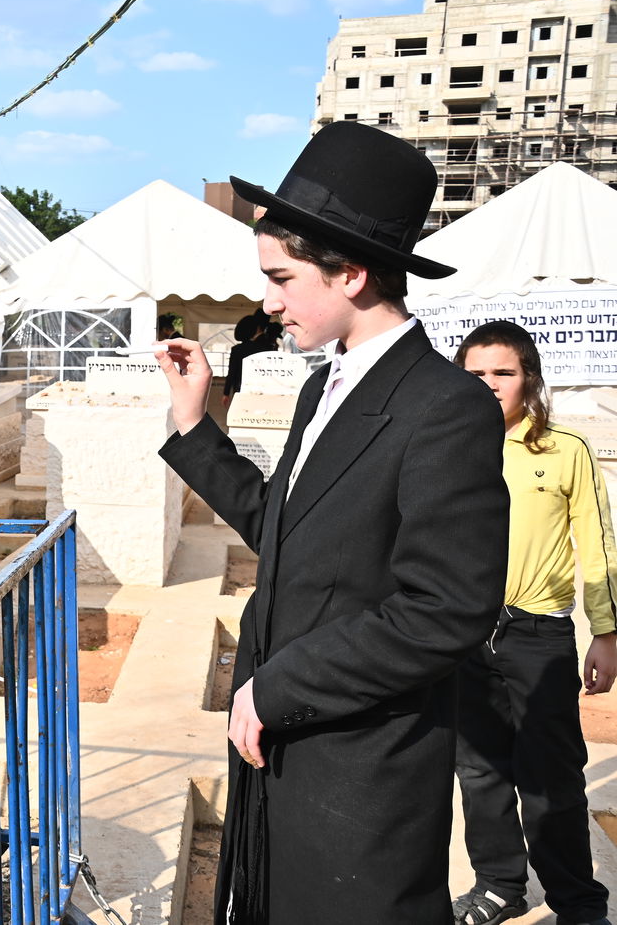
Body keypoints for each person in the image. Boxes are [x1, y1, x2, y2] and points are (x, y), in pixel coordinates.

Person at [154, 121, 510, 923]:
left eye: (280, 277)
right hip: (278, 751)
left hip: (357, 779)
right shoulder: (326, 386)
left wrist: (279, 687)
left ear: (349, 273)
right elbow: (285, 530)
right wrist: (193, 425)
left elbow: (447, 609)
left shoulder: (445, 406)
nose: (267, 301)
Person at [451, 321, 615, 925]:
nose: (490, 384)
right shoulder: (444, 443)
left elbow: (597, 545)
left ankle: (577, 904)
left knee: (552, 778)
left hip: (537, 635)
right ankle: (500, 885)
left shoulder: (564, 449)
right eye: (476, 374)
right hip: (462, 634)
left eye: (504, 372)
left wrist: (607, 631)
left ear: (529, 380)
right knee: (479, 770)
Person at [222, 310, 279, 407]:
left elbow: (232, 373)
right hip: (263, 392)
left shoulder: (237, 350)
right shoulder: (269, 348)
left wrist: (226, 393)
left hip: (241, 391)